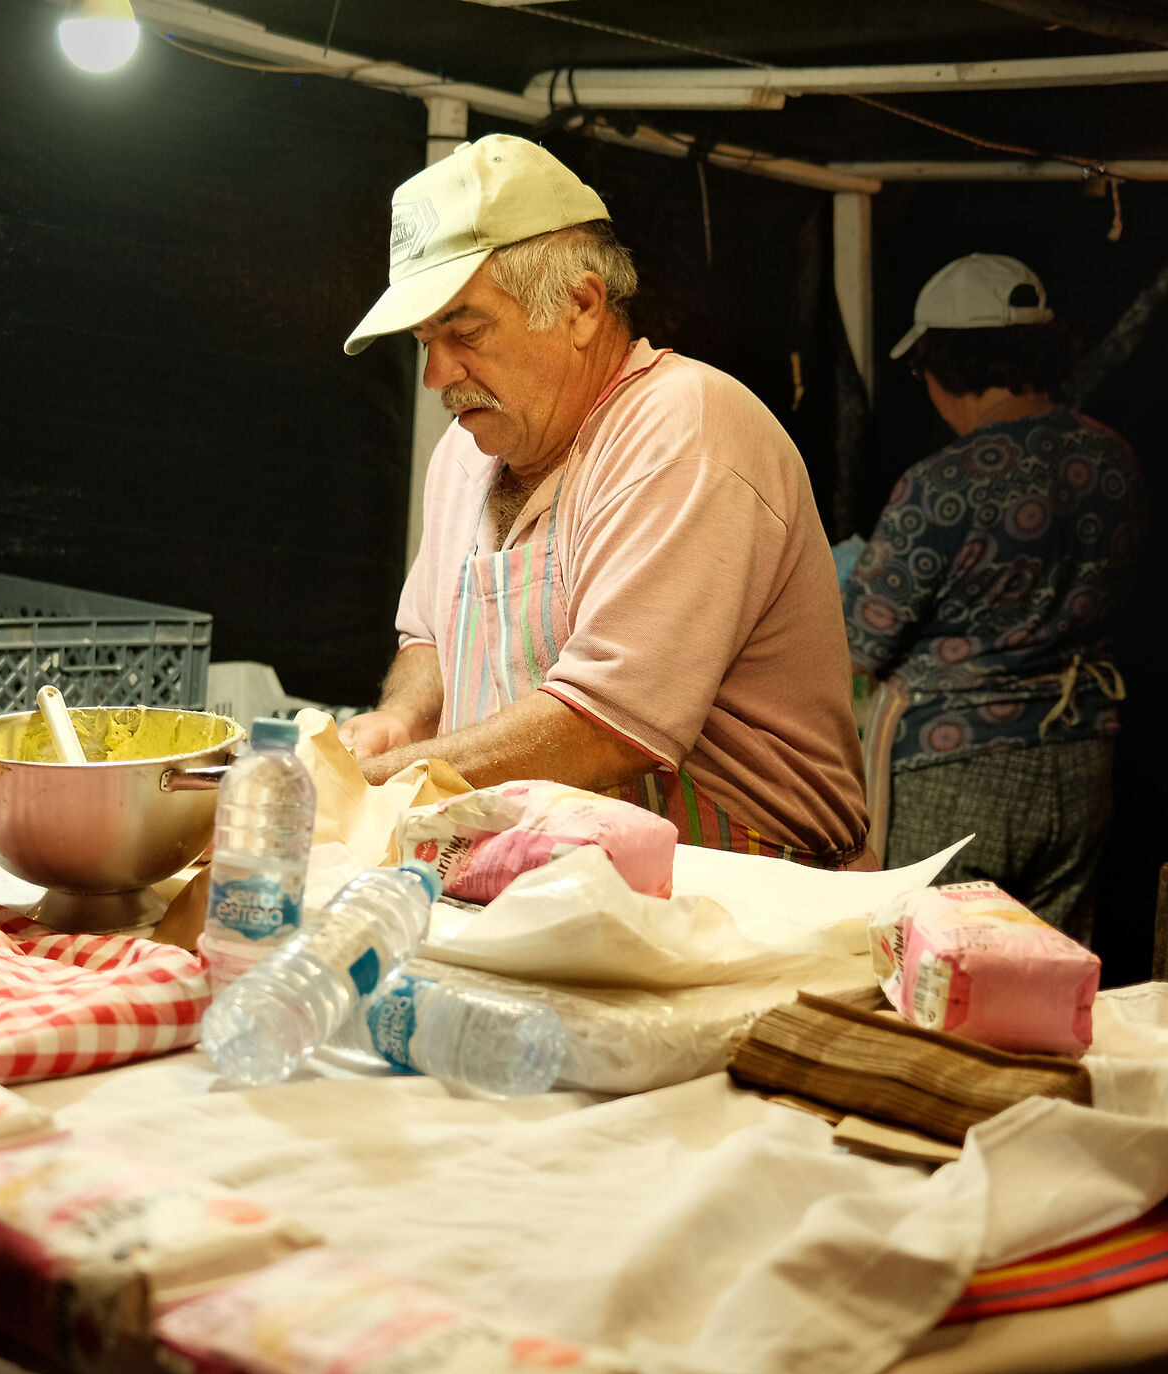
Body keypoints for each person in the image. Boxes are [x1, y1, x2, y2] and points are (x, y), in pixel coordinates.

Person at [335, 134, 868, 866]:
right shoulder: (465, 452)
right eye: (425, 340)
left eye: (464, 330)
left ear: (581, 305)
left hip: (739, 894)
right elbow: (430, 637)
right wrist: (399, 720)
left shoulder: (682, 428)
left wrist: (369, 784)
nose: (436, 374)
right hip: (546, 874)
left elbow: (604, 727)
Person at [841, 253, 1144, 940]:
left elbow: (861, 640)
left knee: (934, 970)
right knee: (1048, 976)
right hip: (1083, 756)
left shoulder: (942, 483)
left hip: (957, 769)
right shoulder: (1113, 458)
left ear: (943, 365)